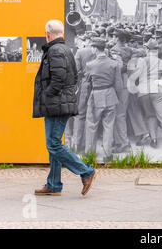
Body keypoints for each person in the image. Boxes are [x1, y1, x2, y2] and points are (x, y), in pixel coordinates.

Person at [32, 19, 98, 196]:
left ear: (47, 34)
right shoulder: (65, 49)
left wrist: (47, 94)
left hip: (56, 104)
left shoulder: (55, 50)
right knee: (54, 144)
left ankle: (86, 172)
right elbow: (73, 77)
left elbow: (59, 78)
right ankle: (53, 184)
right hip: (59, 103)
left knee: (53, 144)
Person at [84, 38, 122, 162]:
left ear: (95, 48)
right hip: (110, 95)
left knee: (91, 125)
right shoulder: (114, 63)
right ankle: (107, 154)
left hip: (96, 95)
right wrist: (117, 96)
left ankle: (90, 153)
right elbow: (118, 84)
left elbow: (87, 84)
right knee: (109, 125)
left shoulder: (90, 65)